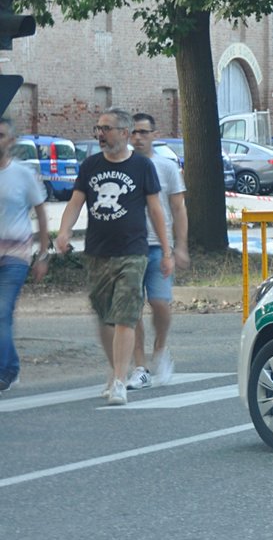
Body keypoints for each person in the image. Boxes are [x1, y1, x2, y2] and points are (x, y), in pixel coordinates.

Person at [54, 109, 171, 406]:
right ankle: (114, 367)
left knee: (125, 316)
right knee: (105, 318)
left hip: (133, 251)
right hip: (96, 252)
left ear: (123, 131)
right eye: (98, 128)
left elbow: (156, 210)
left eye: (106, 128)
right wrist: (64, 232)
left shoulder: (142, 166)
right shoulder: (90, 165)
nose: (100, 134)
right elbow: (76, 202)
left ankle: (120, 379)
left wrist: (167, 250)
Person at [127, 113, 189, 389]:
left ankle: (160, 349)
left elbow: (178, 208)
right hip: (128, 248)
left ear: (154, 134)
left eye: (143, 132)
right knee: (130, 310)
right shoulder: (123, 166)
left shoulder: (166, 167)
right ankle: (139, 367)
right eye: (134, 133)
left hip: (158, 246)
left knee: (160, 304)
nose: (138, 138)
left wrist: (180, 246)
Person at [0, 118, 51, 393]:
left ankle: (4, 372)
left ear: (12, 141)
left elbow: (42, 212)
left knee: (2, 312)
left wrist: (43, 254)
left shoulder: (23, 174)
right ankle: (12, 366)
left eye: (0, 135)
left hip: (16, 254)